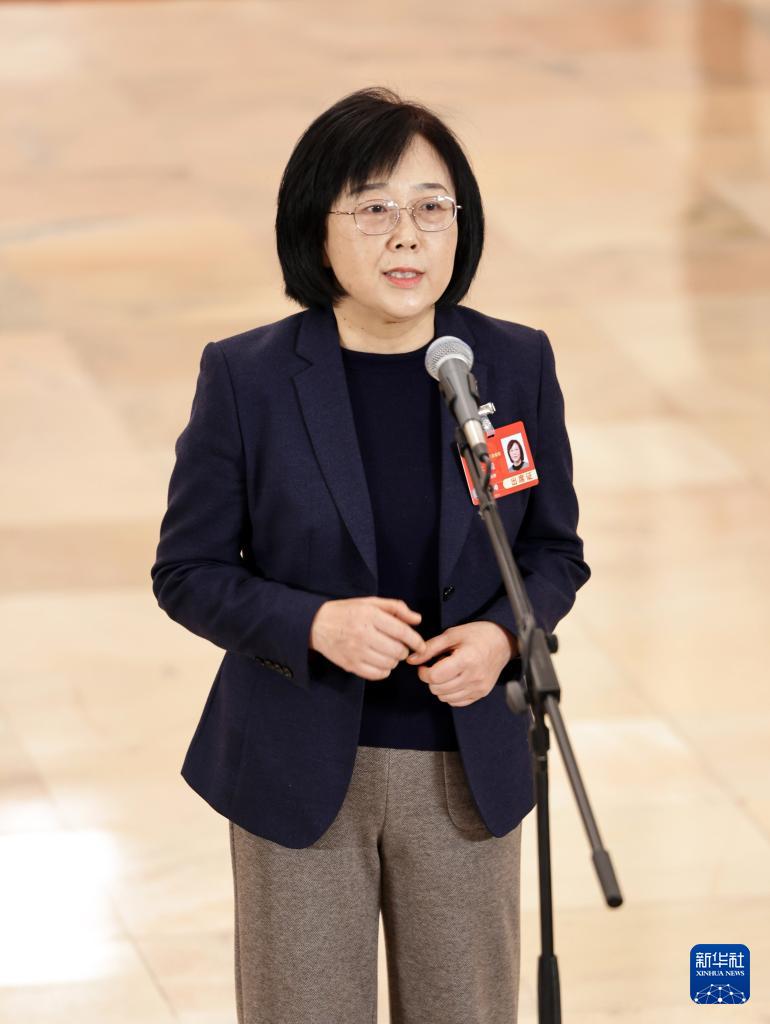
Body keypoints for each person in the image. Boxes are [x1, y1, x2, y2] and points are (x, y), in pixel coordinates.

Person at [150, 86, 590, 1024]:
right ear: (317, 232)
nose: (407, 237)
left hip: (466, 767)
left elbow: (554, 550)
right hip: (300, 769)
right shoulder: (249, 377)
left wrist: (501, 640)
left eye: (432, 208)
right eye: (374, 208)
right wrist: (314, 623)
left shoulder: (510, 365)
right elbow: (188, 572)